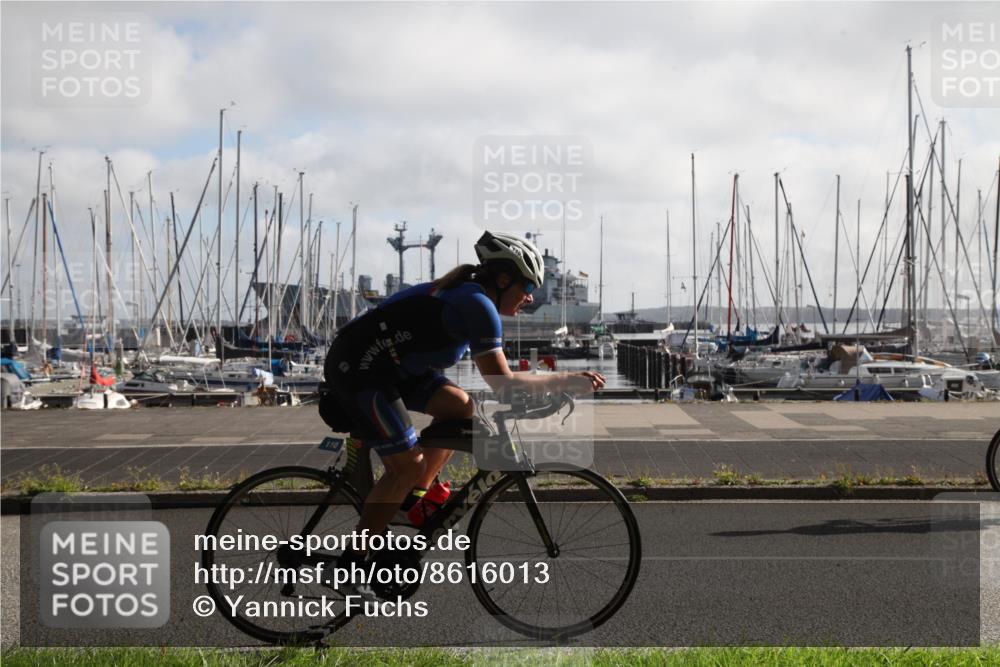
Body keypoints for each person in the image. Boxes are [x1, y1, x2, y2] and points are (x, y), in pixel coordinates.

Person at [322, 231, 604, 567]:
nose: (530, 298)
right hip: (360, 368)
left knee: (462, 406)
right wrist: (566, 381)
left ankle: (413, 499)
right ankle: (352, 564)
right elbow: (506, 386)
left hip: (396, 367)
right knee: (406, 466)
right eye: (528, 288)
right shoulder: (477, 304)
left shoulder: (473, 295)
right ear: (502, 280)